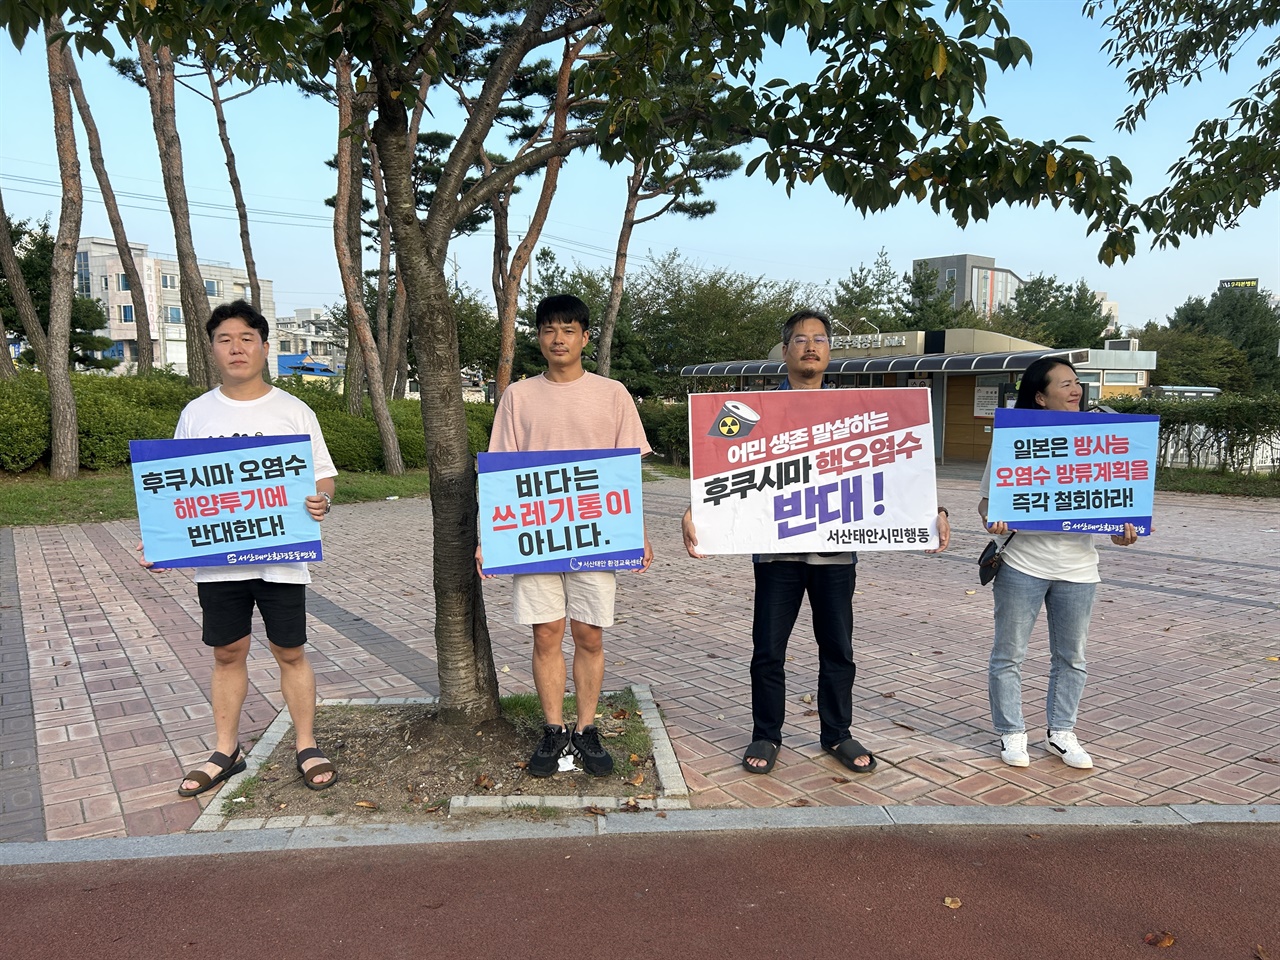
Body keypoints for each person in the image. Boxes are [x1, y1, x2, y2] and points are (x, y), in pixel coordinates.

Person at [682, 310, 951, 776]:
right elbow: (720, 466)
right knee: (767, 650)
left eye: (820, 340)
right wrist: (699, 511)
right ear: (784, 350)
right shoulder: (749, 414)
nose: (811, 346)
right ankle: (766, 734)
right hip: (775, 554)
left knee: (838, 649)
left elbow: (896, 473)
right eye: (801, 339)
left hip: (835, 553)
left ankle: (837, 734)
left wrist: (933, 512)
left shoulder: (856, 412)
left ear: (829, 352)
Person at [140, 300, 339, 796]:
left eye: (247, 338)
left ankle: (306, 743)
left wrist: (322, 501)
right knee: (228, 651)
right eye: (225, 339)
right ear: (211, 349)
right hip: (218, 565)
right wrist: (166, 541)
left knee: (289, 650)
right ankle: (225, 750)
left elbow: (324, 473)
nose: (236, 348)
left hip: (283, 561)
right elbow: (178, 488)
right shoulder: (197, 413)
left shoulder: (294, 410)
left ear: (265, 348)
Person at [476, 294, 653, 778]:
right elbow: (501, 474)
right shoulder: (518, 396)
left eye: (569, 329)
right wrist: (488, 537)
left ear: (585, 338)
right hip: (533, 534)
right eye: (550, 329)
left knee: (588, 633)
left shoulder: (612, 394)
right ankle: (553, 729)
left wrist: (636, 533)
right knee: (546, 632)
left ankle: (587, 727)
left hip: (596, 533)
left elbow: (627, 474)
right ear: (539, 337)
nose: (559, 338)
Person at [979, 357, 1139, 770]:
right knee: (1008, 655)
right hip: (1022, 565)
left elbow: (1114, 506)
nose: (1076, 391)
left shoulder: (1098, 440)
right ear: (1039, 396)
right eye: (1065, 384)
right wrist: (992, 518)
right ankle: (1012, 733)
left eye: (1077, 384)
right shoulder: (1013, 441)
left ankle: (1061, 733)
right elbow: (985, 503)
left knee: (1072, 658)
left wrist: (1124, 531)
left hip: (1079, 569)